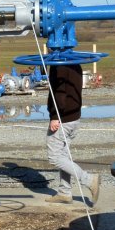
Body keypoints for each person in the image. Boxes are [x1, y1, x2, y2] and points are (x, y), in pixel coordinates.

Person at [45, 63, 100, 204]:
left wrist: (55, 116)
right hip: (74, 117)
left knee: (54, 157)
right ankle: (64, 192)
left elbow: (60, 93)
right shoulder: (75, 63)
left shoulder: (59, 66)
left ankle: (89, 180)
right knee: (64, 156)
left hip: (62, 118)